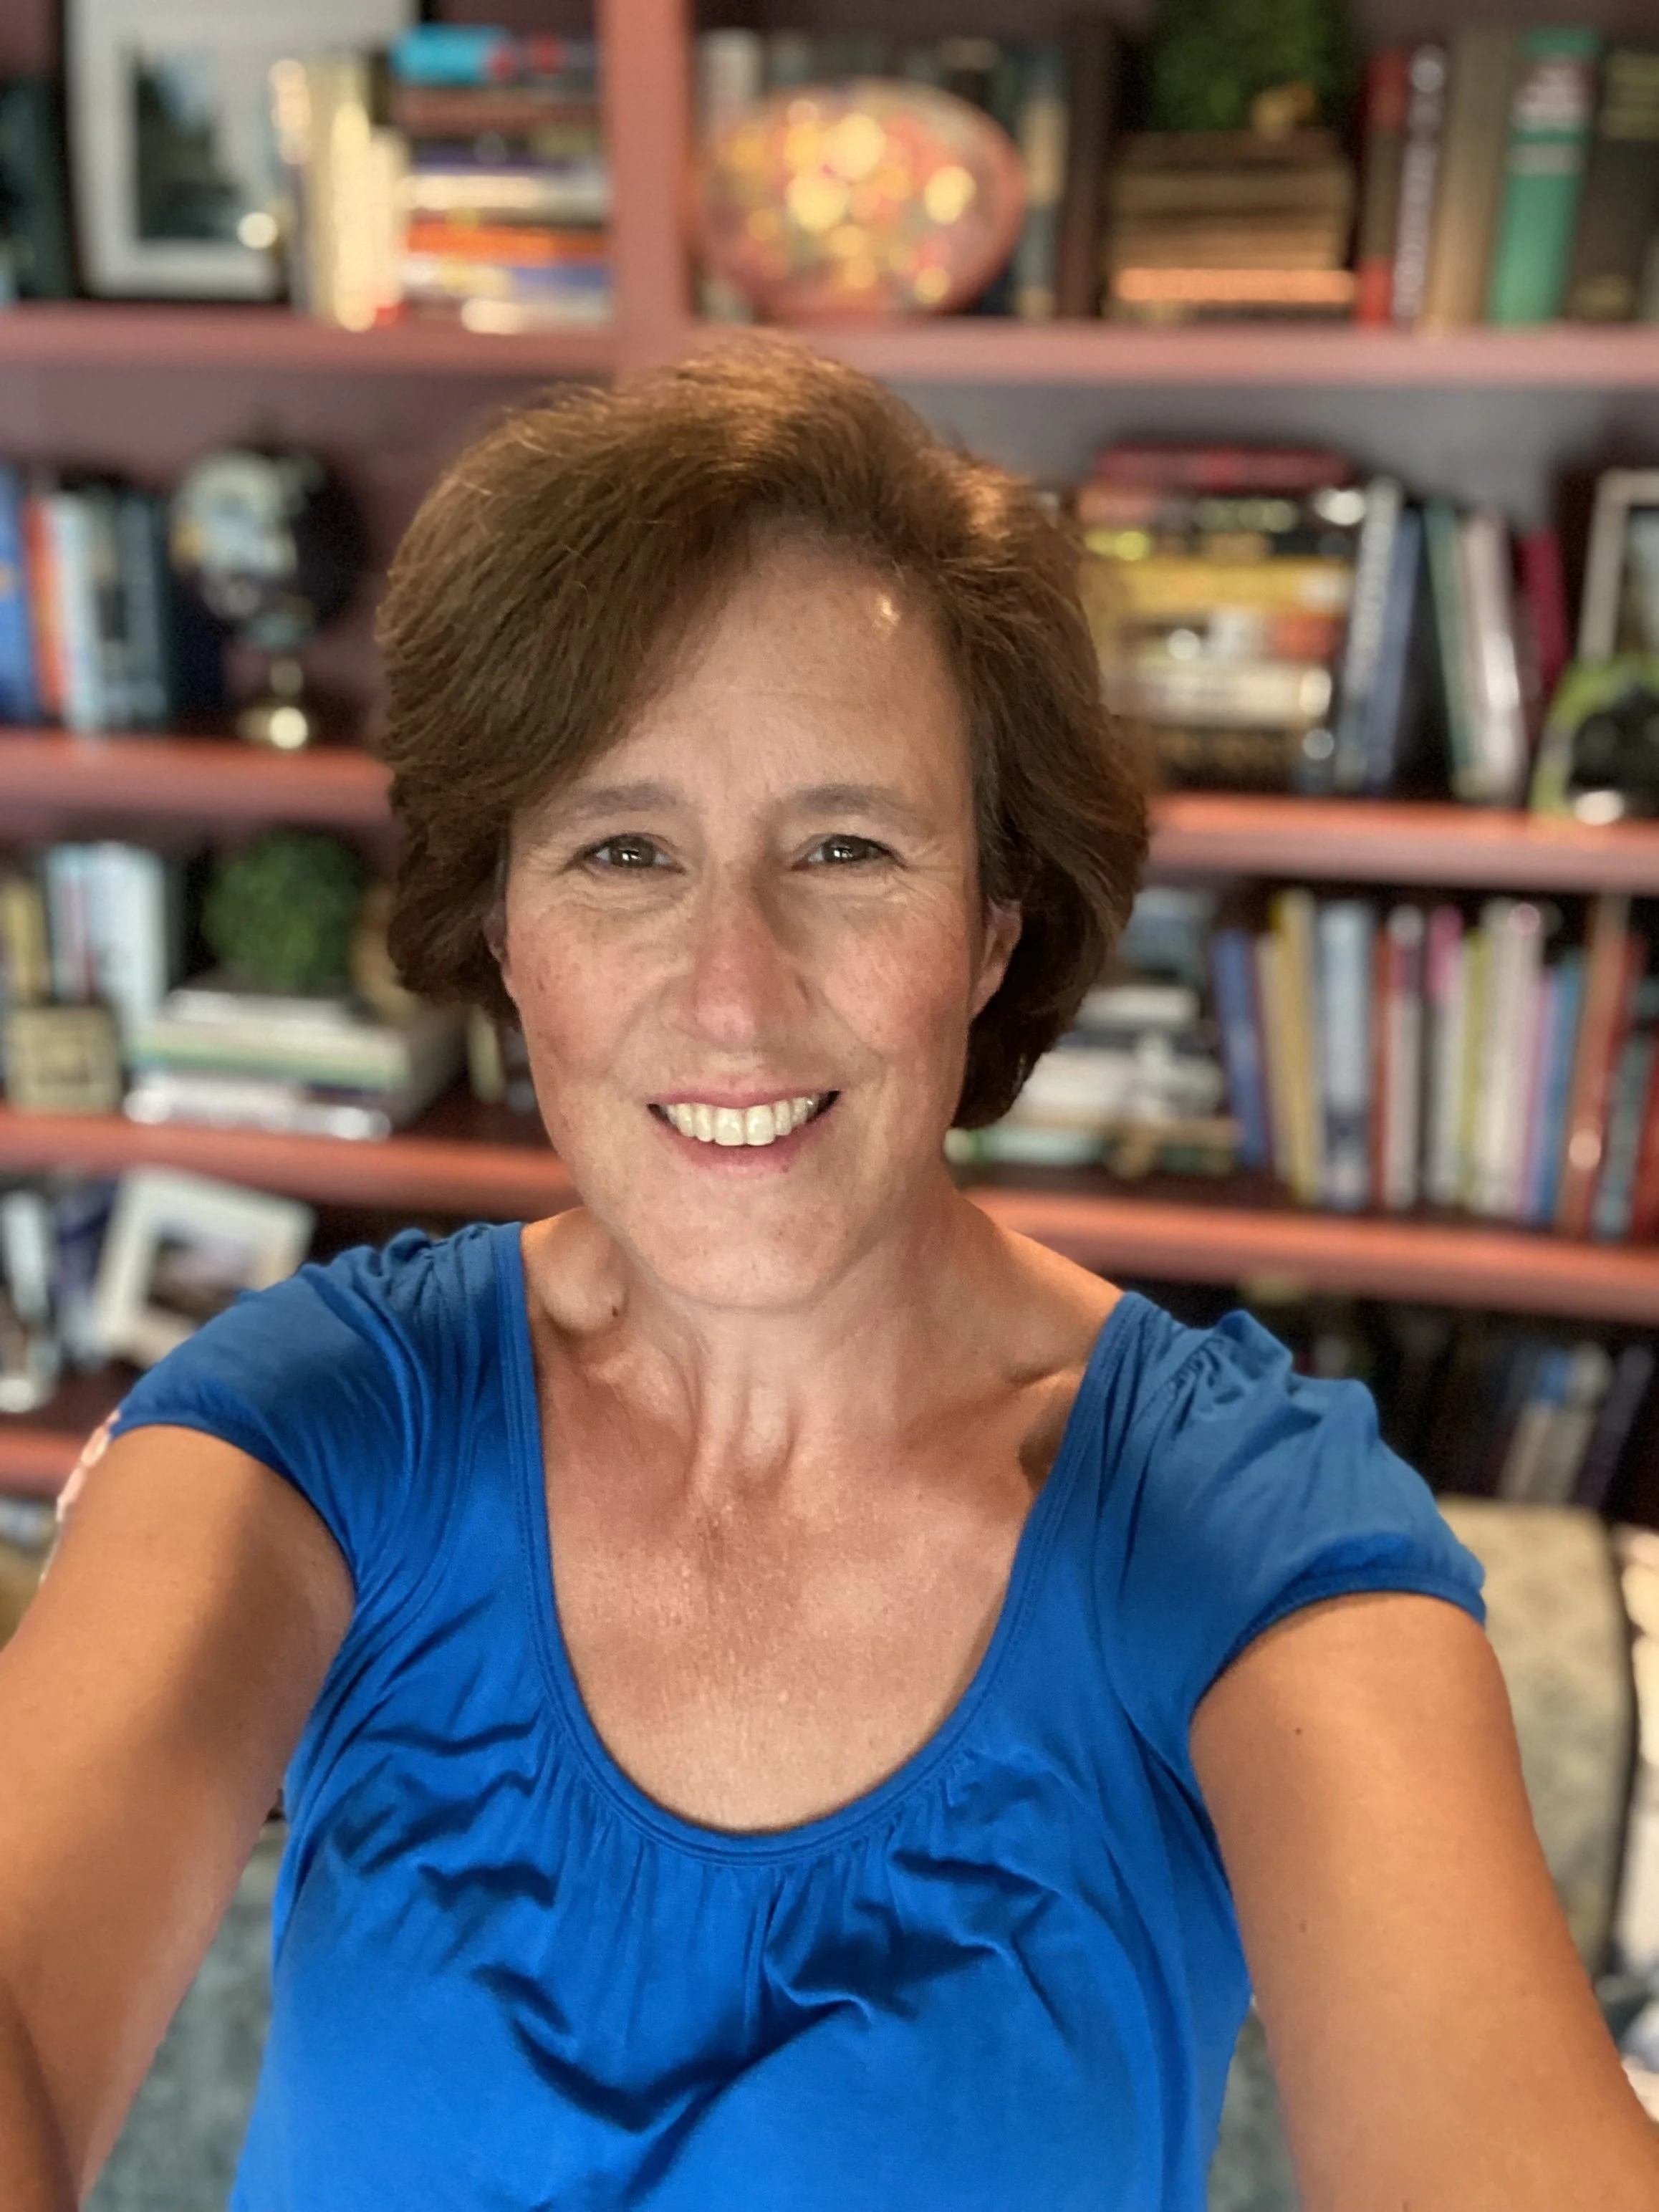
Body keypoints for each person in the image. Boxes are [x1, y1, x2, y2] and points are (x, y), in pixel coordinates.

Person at [1, 342, 1653, 2212]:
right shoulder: (303, 1427)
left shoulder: (1242, 1533)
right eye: (624, 851)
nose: (731, 994)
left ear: (983, 936)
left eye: (847, 849)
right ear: (508, 931)